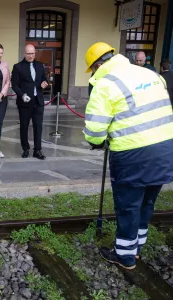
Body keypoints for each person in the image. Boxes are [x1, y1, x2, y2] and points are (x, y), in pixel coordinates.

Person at [83, 42, 173, 270]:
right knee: (148, 201)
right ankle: (137, 247)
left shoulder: (105, 84)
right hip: (165, 149)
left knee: (129, 206)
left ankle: (124, 255)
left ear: (97, 65)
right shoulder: (151, 75)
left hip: (133, 154)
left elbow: (94, 132)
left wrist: (98, 142)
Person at [11, 44, 48, 159]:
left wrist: (44, 84)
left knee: (38, 126)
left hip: (38, 101)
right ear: (24, 53)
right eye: (28, 53)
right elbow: (15, 84)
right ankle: (25, 149)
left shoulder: (39, 65)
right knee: (24, 126)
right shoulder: (18, 67)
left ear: (35, 53)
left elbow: (44, 79)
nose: (31, 56)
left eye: (32, 53)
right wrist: (22, 95)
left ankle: (37, 150)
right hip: (25, 102)